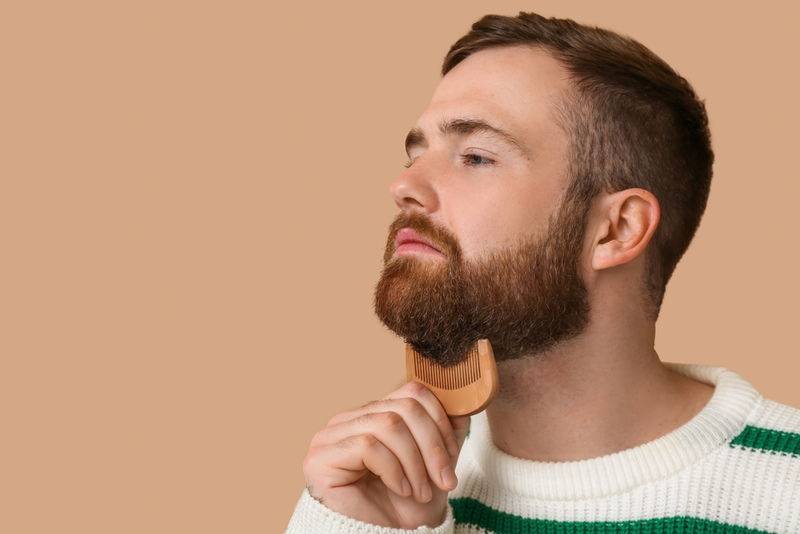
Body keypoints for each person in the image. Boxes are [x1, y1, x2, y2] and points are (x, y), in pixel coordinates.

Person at [286, 12, 800, 534]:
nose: (404, 184)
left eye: (477, 156)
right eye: (415, 154)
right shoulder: (376, 490)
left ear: (616, 230)